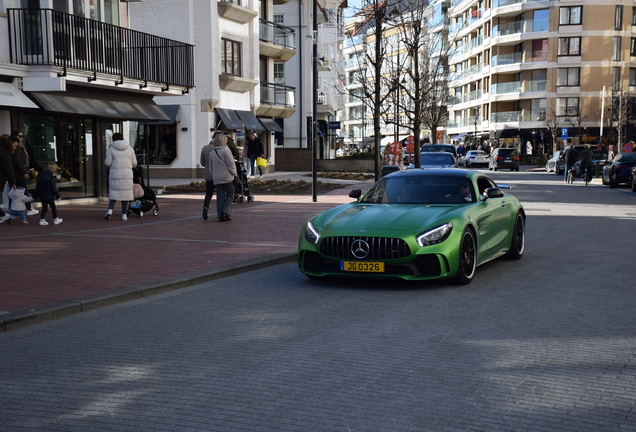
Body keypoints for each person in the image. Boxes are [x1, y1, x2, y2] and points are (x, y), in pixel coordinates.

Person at [104, 132, 137, 221]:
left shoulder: (111, 149)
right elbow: (134, 164)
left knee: (114, 194)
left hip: (115, 175)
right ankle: (124, 215)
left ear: (113, 139)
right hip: (127, 175)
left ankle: (110, 211)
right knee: (125, 195)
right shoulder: (130, 149)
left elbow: (107, 163)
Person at [208, 133, 237, 222]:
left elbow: (210, 167)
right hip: (227, 177)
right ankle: (226, 211)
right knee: (230, 195)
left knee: (220, 197)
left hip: (217, 178)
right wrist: (235, 174)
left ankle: (220, 215)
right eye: (226, 140)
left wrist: (214, 175)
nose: (227, 141)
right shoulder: (226, 150)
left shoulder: (212, 152)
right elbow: (231, 164)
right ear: (223, 141)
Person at [10, 133, 38, 217]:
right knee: (22, 190)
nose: (21, 138)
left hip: (17, 173)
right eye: (20, 136)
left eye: (22, 136)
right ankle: (28, 208)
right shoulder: (17, 149)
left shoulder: (20, 147)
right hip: (18, 174)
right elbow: (17, 162)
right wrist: (24, 172)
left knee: (17, 191)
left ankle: (16, 210)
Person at [0, 135, 17, 223]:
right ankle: (3, 215)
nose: (15, 148)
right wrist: (12, 182)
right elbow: (8, 167)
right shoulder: (4, 151)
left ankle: (3, 215)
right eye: (15, 145)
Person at [200, 134, 217, 220]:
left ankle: (205, 208)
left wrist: (207, 165)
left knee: (208, 194)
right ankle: (221, 212)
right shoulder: (219, 148)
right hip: (218, 175)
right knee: (220, 194)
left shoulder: (205, 148)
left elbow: (202, 162)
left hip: (208, 175)